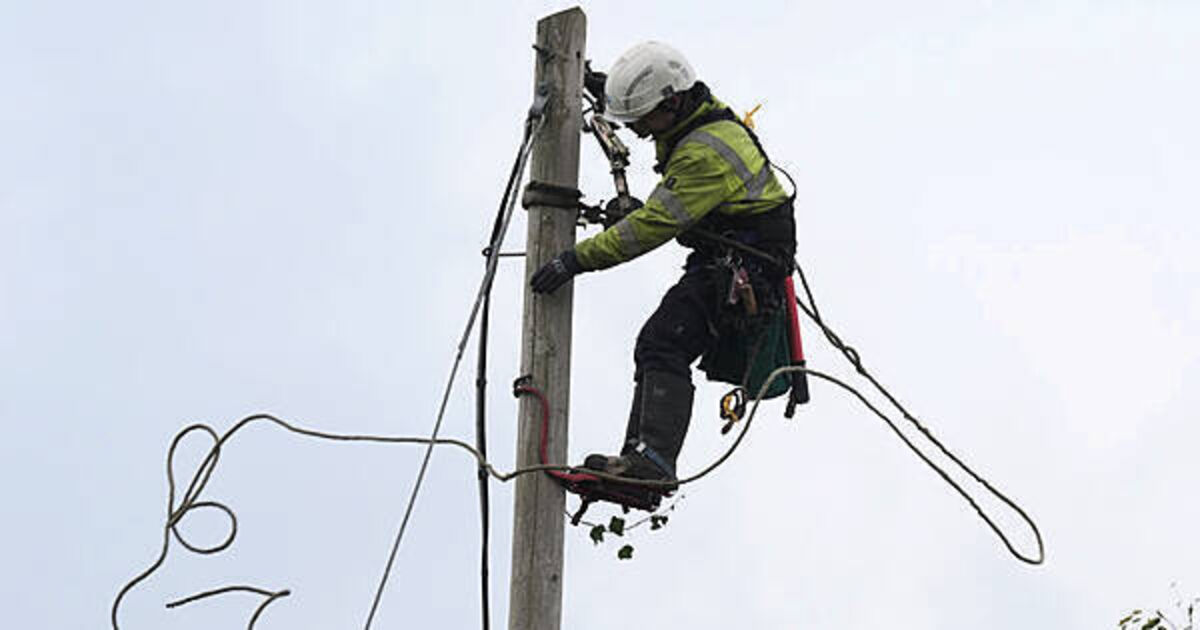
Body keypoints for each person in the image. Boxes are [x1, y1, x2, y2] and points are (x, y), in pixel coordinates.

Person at [530, 41, 796, 488]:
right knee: (658, 343)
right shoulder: (695, 112)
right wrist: (595, 84)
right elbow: (648, 107)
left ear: (671, 103)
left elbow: (651, 226)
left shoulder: (705, 152)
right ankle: (639, 460)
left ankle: (650, 464)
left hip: (746, 268)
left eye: (641, 119)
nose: (636, 131)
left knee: (663, 342)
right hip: (728, 257)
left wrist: (575, 260)